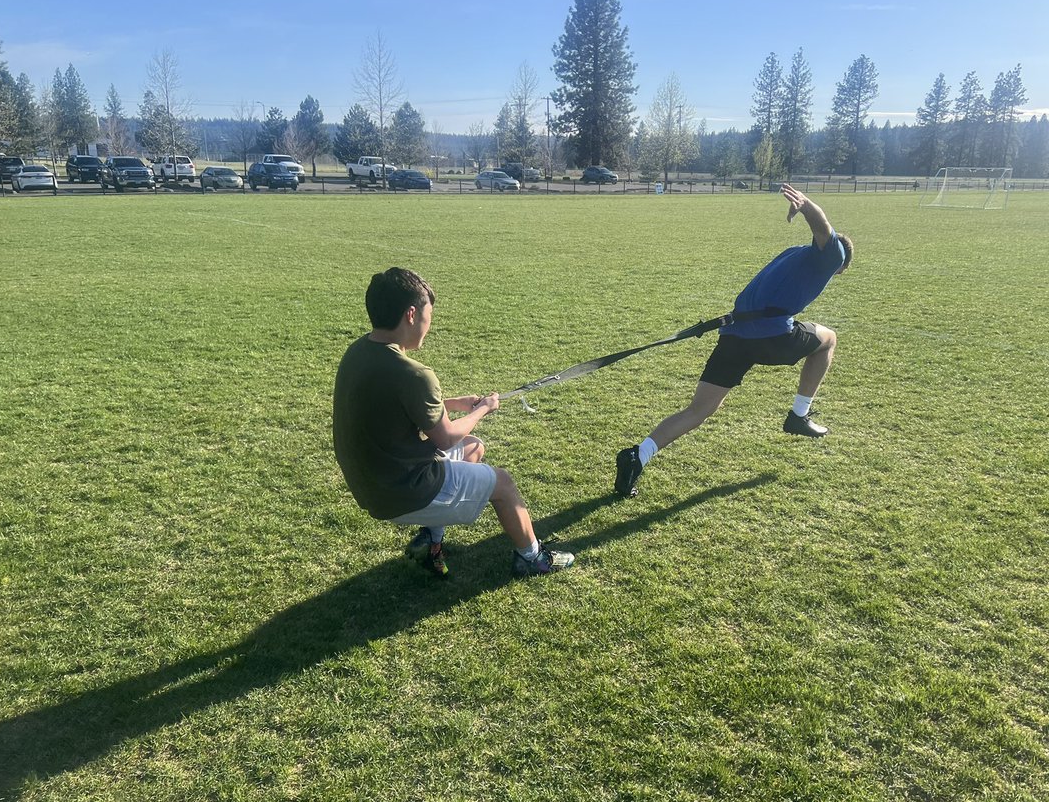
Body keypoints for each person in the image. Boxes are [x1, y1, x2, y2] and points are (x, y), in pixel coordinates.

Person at [614, 184, 853, 498]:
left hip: (734, 334)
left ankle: (637, 456)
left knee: (699, 409)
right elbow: (822, 227)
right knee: (829, 338)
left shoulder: (794, 254)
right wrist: (807, 206)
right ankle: (799, 415)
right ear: (840, 264)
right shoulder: (831, 255)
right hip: (772, 336)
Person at [334, 267, 575, 577]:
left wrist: (455, 404)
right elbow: (445, 438)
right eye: (427, 315)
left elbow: (395, 410)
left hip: (370, 485)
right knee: (502, 483)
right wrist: (481, 410)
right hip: (401, 491)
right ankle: (532, 557)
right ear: (411, 314)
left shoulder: (357, 353)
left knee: (473, 448)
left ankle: (430, 543)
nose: (428, 325)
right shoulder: (414, 374)